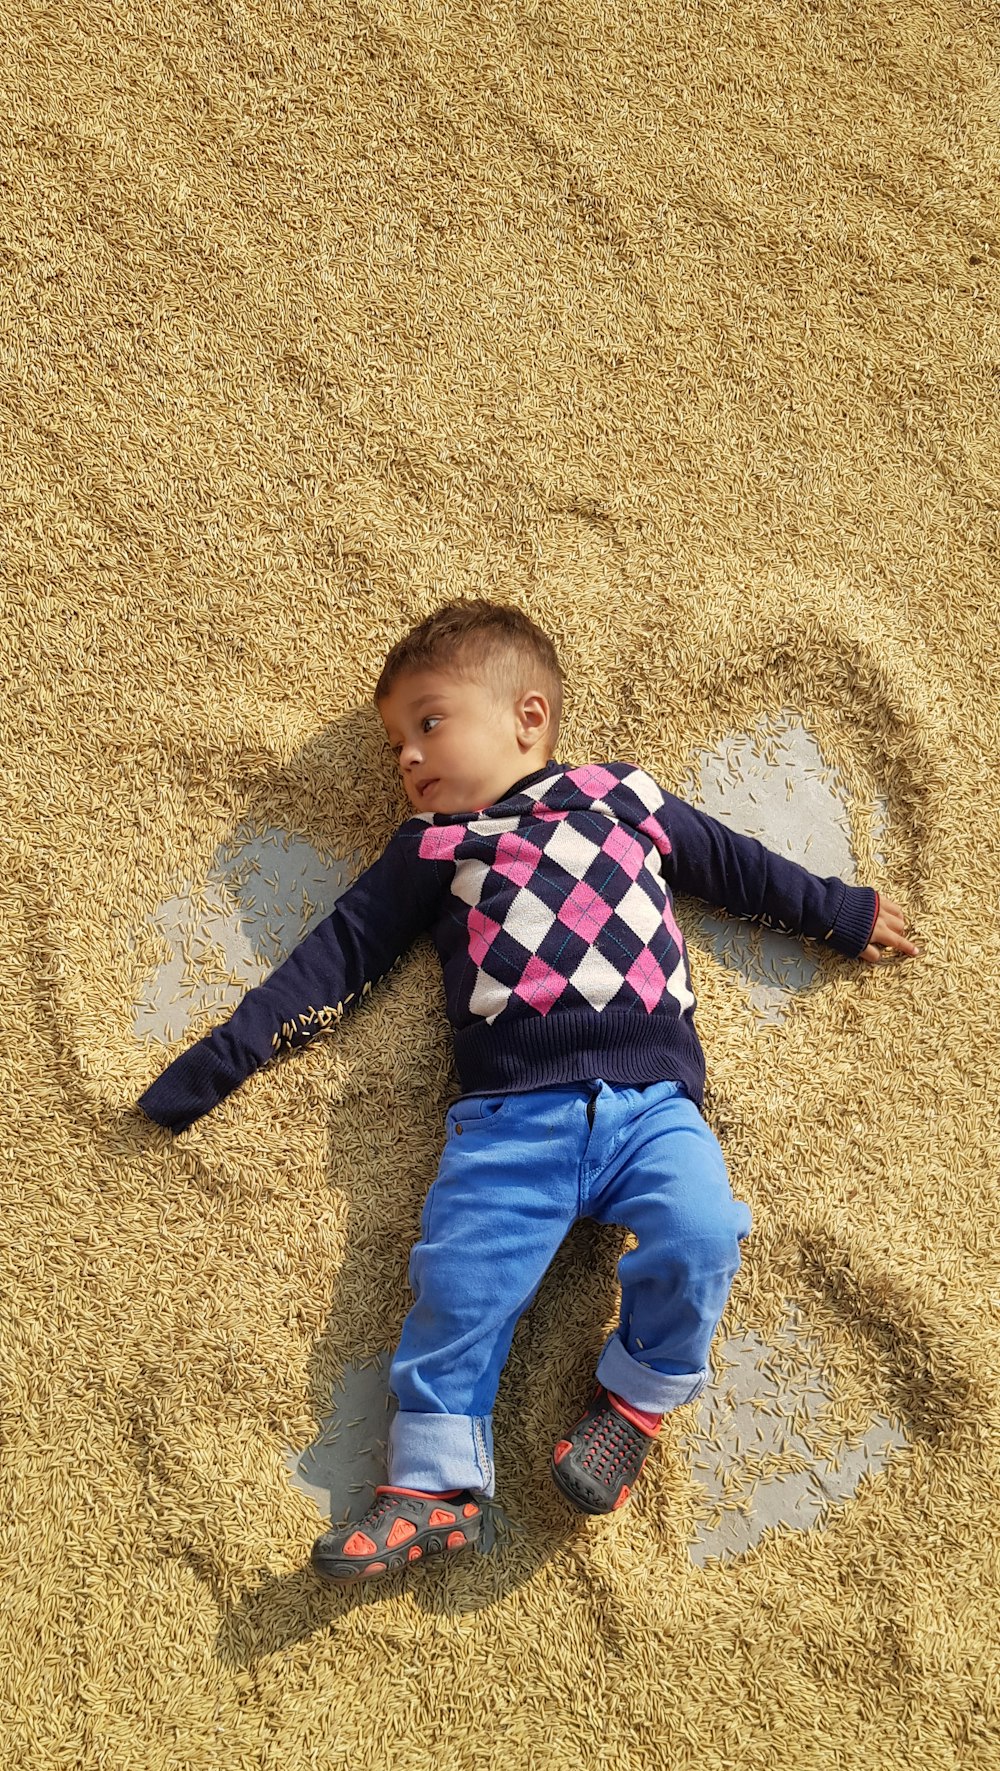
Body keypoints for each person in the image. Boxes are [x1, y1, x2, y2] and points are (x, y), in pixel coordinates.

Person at [137, 600, 918, 1583]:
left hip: (652, 1111)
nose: (407, 758)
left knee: (705, 1229)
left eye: (429, 722)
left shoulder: (622, 796)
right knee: (457, 1284)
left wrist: (839, 913)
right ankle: (429, 1486)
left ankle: (631, 1402)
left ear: (528, 716)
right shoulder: (432, 848)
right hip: (508, 1126)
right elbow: (328, 961)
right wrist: (206, 1071)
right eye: (392, 745)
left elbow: (736, 866)